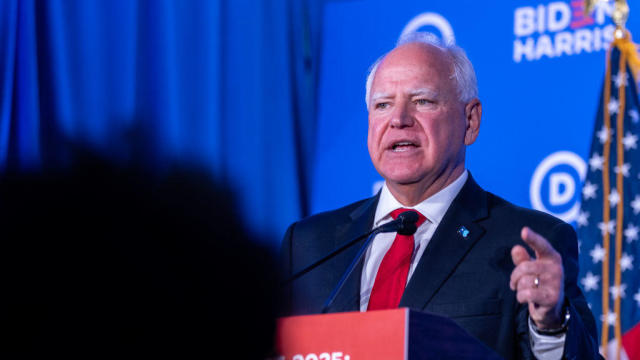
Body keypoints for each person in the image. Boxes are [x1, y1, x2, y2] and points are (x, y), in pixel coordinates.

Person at [281, 32, 601, 360]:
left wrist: (549, 326)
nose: (399, 120)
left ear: (471, 121)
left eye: (423, 101)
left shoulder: (526, 245)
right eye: (382, 104)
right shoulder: (308, 246)